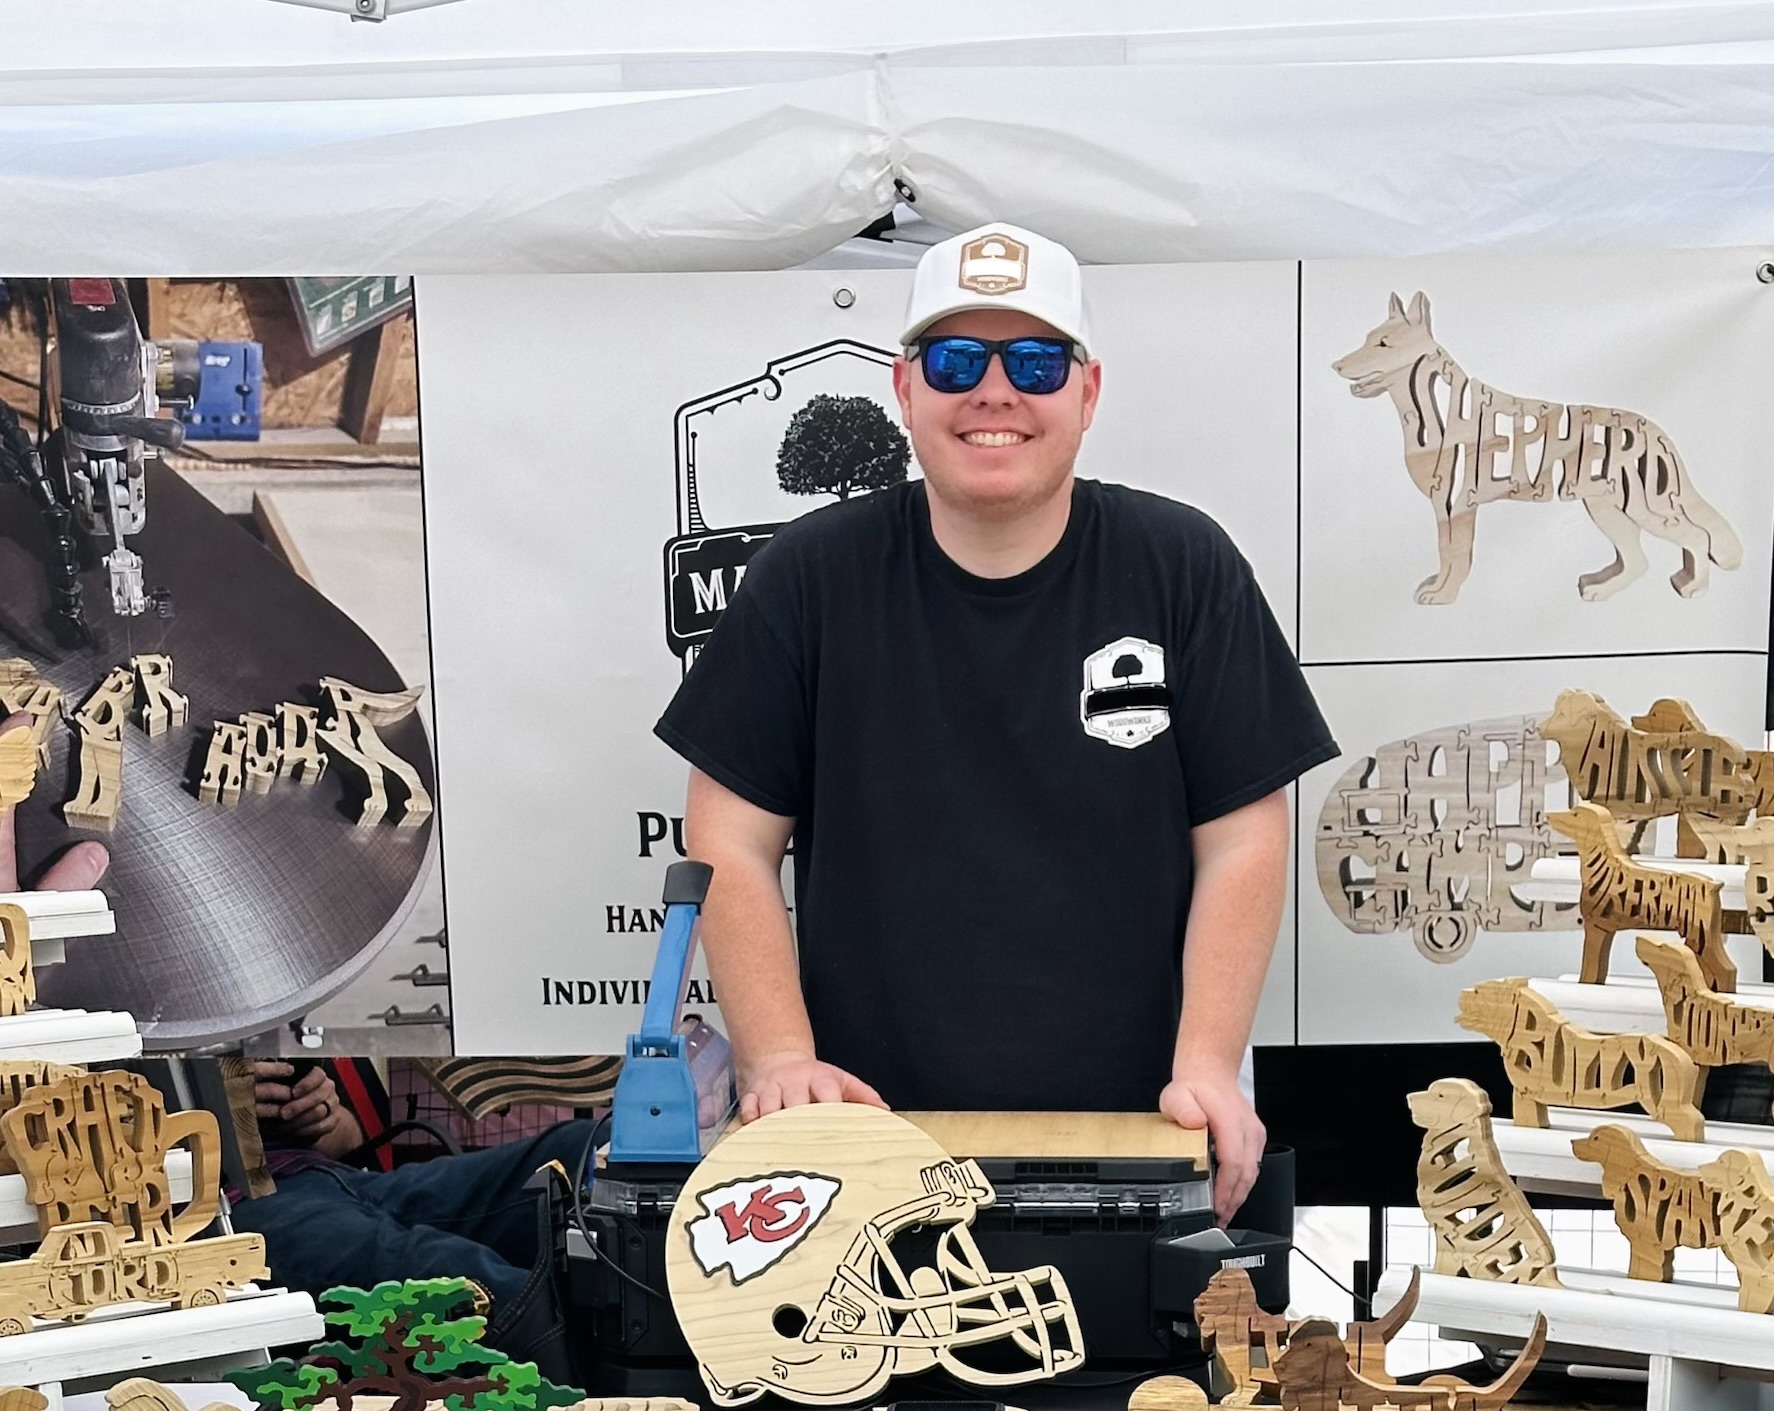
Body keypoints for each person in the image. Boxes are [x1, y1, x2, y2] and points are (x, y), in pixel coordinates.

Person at [656, 223, 1337, 1224]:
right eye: (957, 359)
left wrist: (1206, 1063)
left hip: (1141, 1145)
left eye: (1035, 359)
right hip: (871, 1146)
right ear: (906, 389)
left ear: (1088, 392)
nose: (995, 390)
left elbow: (1243, 836)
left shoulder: (1182, 566)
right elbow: (730, 840)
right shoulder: (810, 577)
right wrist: (781, 1059)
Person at [227, 1059, 597, 1350]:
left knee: (584, 1150)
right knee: (464, 1277)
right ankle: (600, 1389)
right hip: (223, 1210)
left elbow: (347, 1140)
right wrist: (211, 1115)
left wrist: (321, 1114)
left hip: (334, 1178)